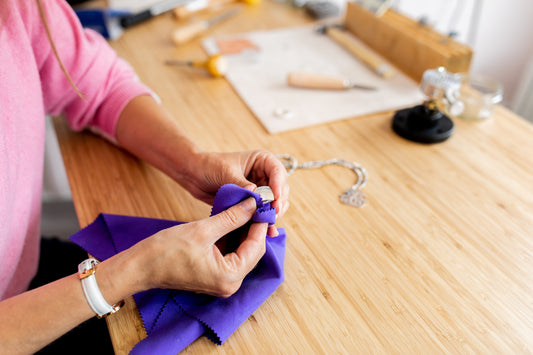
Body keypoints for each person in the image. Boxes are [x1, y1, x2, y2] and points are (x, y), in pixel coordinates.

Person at [0, 0, 289, 353]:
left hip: (20, 279)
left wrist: (193, 164)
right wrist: (135, 271)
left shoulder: (21, 8)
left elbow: (99, 85)